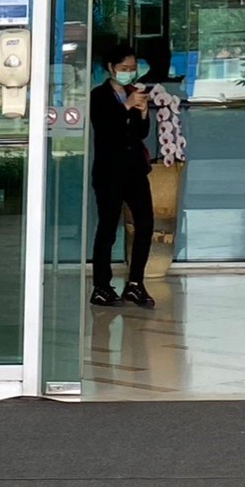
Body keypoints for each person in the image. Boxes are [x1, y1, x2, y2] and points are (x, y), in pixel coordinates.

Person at [88, 42, 155, 310]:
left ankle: (135, 282)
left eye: (133, 68)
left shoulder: (133, 92)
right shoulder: (99, 96)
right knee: (108, 227)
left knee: (145, 224)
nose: (129, 72)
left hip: (135, 170)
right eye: (124, 68)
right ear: (111, 68)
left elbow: (140, 133)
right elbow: (106, 129)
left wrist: (143, 111)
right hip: (109, 172)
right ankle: (101, 286)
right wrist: (126, 106)